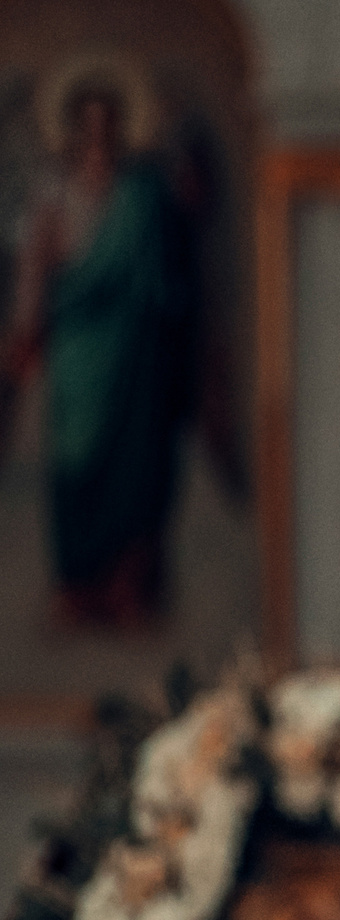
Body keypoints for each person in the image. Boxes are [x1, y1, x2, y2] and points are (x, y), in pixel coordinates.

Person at [6, 77, 202, 627]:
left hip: (134, 351)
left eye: (106, 121)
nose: (97, 133)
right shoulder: (55, 191)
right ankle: (76, 586)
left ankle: (126, 587)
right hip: (76, 349)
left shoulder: (143, 192)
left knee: (134, 468)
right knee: (74, 466)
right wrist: (25, 330)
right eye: (86, 122)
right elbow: (34, 267)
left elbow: (171, 261)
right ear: (71, 129)